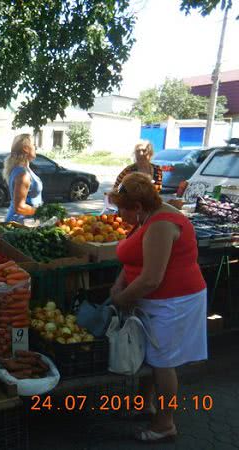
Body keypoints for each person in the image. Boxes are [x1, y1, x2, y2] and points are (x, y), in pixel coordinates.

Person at [108, 172, 207, 443]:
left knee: (163, 361)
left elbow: (152, 278)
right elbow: (135, 257)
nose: (119, 215)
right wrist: (120, 283)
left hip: (174, 301)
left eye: (121, 210)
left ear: (138, 207)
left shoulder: (162, 224)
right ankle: (144, 406)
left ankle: (165, 424)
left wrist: (122, 297)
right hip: (156, 301)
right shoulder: (147, 217)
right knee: (153, 356)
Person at [4, 134, 43, 223]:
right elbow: (19, 207)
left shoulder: (21, 169)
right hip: (19, 225)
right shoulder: (23, 174)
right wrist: (43, 212)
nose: (35, 147)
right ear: (26, 148)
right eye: (33, 144)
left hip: (23, 223)